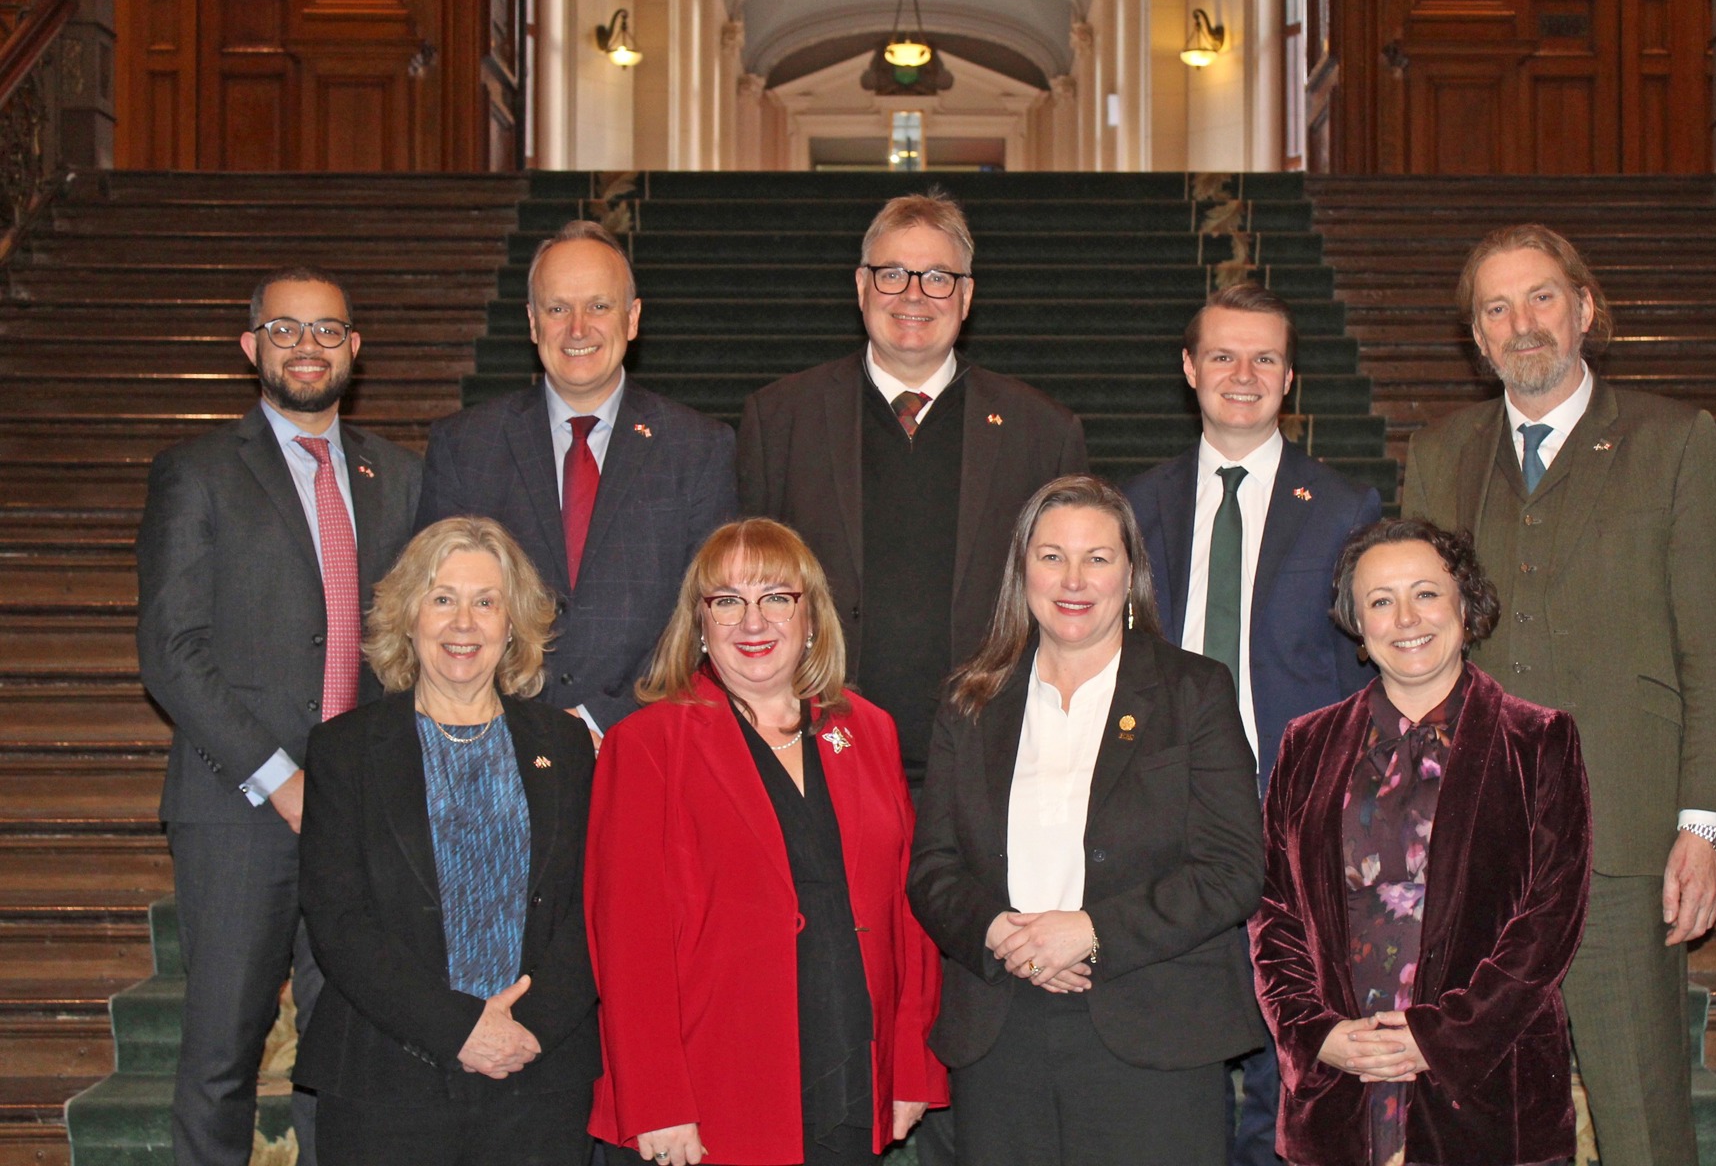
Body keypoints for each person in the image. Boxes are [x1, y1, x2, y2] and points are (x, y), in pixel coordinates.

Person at [1401, 225, 1716, 1166]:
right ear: (1475, 337)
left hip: (1625, 842)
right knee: (1477, 1118)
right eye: (1496, 307)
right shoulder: (1440, 454)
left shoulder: (1674, 440)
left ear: (1584, 308)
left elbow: (1709, 647)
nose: (1523, 324)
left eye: (1541, 297)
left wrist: (1704, 826)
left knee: (1640, 1119)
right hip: (1470, 847)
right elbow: (1411, 646)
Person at [136, 267, 422, 1166]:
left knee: (346, 1052)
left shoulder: (401, 475)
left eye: (329, 331)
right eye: (287, 329)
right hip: (238, 809)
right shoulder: (199, 471)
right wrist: (282, 779)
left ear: (355, 348)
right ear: (251, 345)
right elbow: (171, 653)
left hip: (362, 812)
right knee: (223, 1051)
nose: (309, 346)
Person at [909, 475, 1266, 1166]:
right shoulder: (969, 699)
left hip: (1152, 1029)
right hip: (1001, 1027)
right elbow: (933, 867)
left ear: (1128, 572)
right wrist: (996, 931)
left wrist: (1091, 932)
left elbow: (1232, 870)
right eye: (1051, 556)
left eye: (1097, 558)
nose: (1073, 578)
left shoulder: (1193, 691)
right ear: (1022, 570)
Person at [586, 518, 947, 1166]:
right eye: (727, 601)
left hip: (850, 1068)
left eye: (776, 597)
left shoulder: (867, 731)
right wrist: (657, 1100)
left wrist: (909, 1069)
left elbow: (905, 914)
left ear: (810, 617)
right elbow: (626, 942)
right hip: (715, 1088)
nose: (753, 622)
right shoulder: (645, 745)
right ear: (700, 623)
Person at [1124, 283, 1381, 1165]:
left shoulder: (1345, 510)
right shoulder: (1134, 505)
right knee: (1177, 1044)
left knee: (1289, 1050)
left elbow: (1363, 675)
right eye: (1223, 355)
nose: (1243, 374)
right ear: (1189, 368)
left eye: (1264, 357)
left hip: (1294, 812)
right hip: (1162, 814)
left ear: (1290, 377)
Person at [1252, 518, 1591, 1166]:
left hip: (1487, 1086)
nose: (1405, 618)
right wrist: (1316, 1034)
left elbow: (1550, 924)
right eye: (1380, 600)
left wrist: (1439, 1039)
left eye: (1425, 594)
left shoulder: (1539, 740)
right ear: (1356, 621)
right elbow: (1274, 912)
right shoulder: (1305, 745)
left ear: (1465, 603)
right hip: (1343, 1083)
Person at [737, 189, 1089, 794]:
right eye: (893, 273)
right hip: (814, 747)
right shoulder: (781, 419)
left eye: (937, 277)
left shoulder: (1041, 432)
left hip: (991, 757)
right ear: (861, 286)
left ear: (967, 295)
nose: (913, 295)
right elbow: (742, 591)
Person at [295, 516, 600, 1163]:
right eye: (443, 599)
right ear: (408, 617)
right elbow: (338, 921)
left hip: (537, 1080)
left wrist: (529, 1030)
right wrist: (459, 1029)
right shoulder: (343, 750)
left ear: (511, 623)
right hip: (388, 1079)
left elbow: (592, 907)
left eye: (485, 602)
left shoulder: (566, 746)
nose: (464, 624)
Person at [416, 219, 737, 742]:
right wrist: (512, 723)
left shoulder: (699, 448)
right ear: (532, 322)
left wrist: (600, 720)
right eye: (558, 308)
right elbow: (432, 610)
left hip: (645, 742)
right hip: (493, 741)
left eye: (599, 306)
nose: (578, 328)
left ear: (632, 319)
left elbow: (711, 616)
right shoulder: (464, 446)